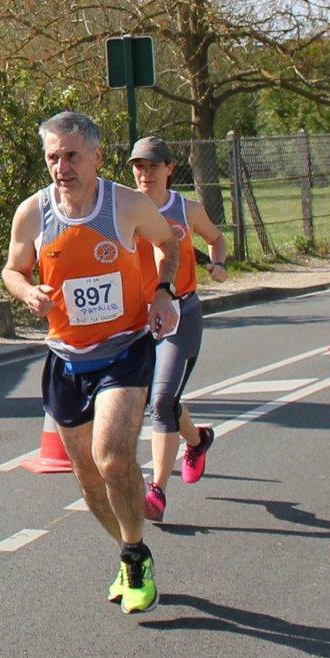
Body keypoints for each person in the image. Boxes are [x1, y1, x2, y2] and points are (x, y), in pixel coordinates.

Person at [2, 111, 179, 614]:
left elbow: (167, 242)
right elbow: (11, 269)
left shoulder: (125, 204)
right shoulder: (33, 213)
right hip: (66, 358)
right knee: (86, 475)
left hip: (123, 349)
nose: (62, 167)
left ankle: (136, 556)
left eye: (72, 156)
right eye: (53, 157)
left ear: (96, 157)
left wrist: (163, 292)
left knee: (111, 455)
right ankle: (129, 552)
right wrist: (26, 290)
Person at [128, 137, 228, 524]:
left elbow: (216, 239)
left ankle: (156, 491)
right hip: (136, 320)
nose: (144, 174)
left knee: (162, 399)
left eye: (152, 166)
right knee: (159, 401)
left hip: (180, 314)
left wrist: (218, 264)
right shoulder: (124, 208)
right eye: (138, 166)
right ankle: (198, 439)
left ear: (170, 168)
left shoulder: (186, 210)